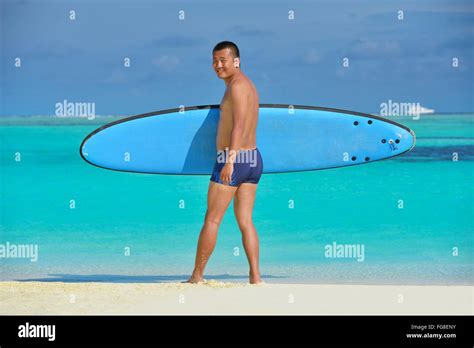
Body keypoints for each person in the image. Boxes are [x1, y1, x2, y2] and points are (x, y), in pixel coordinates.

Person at [186, 41, 263, 284]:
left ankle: (197, 276)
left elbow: (238, 125)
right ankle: (255, 276)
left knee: (212, 219)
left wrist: (229, 161)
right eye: (214, 61)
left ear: (236, 62)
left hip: (234, 159)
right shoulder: (248, 85)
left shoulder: (237, 87)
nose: (218, 65)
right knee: (245, 221)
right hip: (253, 159)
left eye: (223, 61)